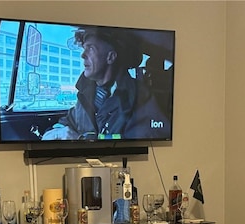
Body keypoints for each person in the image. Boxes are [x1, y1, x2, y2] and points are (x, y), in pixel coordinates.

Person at [41, 27, 171, 141]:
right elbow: (67, 123)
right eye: (84, 48)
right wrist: (55, 132)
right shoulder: (86, 95)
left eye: (90, 48)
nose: (82, 55)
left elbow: (137, 141)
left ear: (110, 57)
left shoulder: (140, 97)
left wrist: (81, 140)